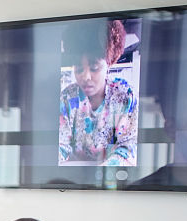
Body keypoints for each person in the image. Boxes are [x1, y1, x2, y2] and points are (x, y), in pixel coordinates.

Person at [58, 19, 137, 167]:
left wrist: (102, 173)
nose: (86, 77)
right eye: (79, 69)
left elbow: (127, 148)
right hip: (74, 180)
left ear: (108, 63)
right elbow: (60, 146)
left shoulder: (124, 96)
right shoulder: (67, 98)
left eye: (94, 68)